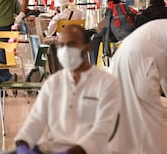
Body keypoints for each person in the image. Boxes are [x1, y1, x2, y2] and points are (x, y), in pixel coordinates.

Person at [14, 25, 121, 154]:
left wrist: (70, 152)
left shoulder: (107, 83)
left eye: (71, 44)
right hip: (53, 148)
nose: (65, 50)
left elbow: (103, 130)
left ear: (86, 48)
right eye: (61, 45)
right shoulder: (53, 83)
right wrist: (23, 145)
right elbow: (35, 120)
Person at [109, 19, 167, 154]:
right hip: (139, 62)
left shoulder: (161, 27)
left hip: (126, 56)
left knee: (131, 119)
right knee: (147, 124)